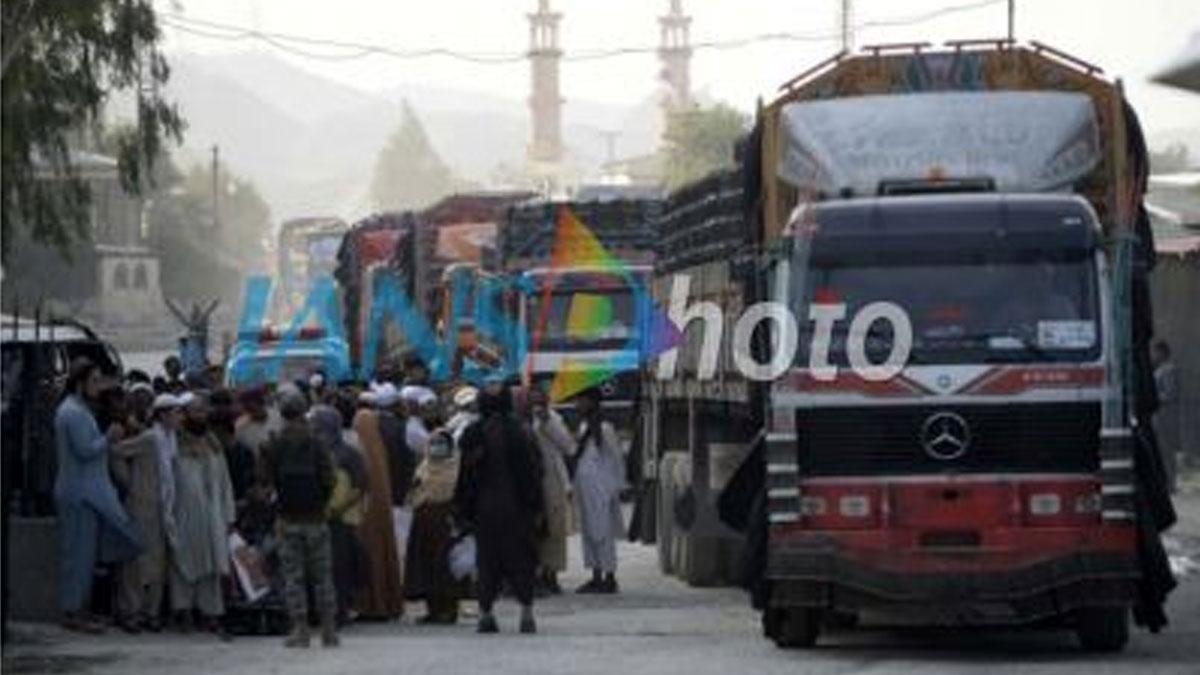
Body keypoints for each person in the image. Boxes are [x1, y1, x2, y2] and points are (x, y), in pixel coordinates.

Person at [53, 358, 142, 633]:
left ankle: (81, 609)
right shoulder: (72, 412)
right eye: (93, 381)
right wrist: (109, 437)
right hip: (79, 494)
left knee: (87, 555)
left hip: (87, 492)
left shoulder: (79, 410)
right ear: (80, 384)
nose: (98, 386)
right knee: (78, 556)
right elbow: (85, 450)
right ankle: (72, 612)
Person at [454, 381, 544, 634]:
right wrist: (536, 507)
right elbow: (534, 473)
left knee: (487, 560)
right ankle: (526, 614)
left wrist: (463, 509)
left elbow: (465, 476)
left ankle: (487, 614)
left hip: (485, 509)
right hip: (517, 508)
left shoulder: (472, 433)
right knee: (521, 558)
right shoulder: (521, 431)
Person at [263, 386, 338, 648]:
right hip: (316, 518)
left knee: (293, 575)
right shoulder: (317, 442)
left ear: (283, 413)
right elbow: (331, 478)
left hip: (288, 519)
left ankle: (301, 629)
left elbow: (265, 482)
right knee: (322, 575)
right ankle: (329, 630)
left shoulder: (275, 443)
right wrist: (322, 503)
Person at [110, 393, 182, 633]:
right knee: (137, 564)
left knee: (158, 564)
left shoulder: (171, 439)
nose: (179, 417)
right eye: (175, 413)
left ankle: (151, 613)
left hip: (164, 508)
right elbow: (116, 451)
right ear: (163, 415)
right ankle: (131, 612)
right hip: (143, 507)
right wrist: (130, 484)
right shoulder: (151, 438)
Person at [170, 392, 235, 640]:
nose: (201, 415)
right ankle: (183, 612)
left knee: (211, 564)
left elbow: (225, 482)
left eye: (202, 411)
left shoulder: (213, 443)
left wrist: (229, 516)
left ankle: (211, 613)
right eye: (194, 411)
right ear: (184, 415)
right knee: (183, 562)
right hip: (184, 513)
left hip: (212, 514)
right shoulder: (174, 444)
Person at [311, 404, 368, 626]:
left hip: (341, 520)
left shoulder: (348, 454)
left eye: (318, 427)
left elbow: (361, 485)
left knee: (339, 567)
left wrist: (337, 509)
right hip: (319, 516)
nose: (315, 431)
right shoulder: (316, 450)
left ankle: (340, 612)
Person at [351, 387, 405, 620]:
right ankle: (386, 602)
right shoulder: (378, 453)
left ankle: (370, 605)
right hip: (381, 512)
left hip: (363, 514)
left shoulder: (358, 452)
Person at [405, 428, 464, 624]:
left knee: (444, 566)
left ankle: (449, 609)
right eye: (434, 443)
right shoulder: (424, 466)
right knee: (425, 565)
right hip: (423, 521)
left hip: (444, 522)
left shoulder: (456, 467)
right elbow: (416, 490)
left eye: (442, 443)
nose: (437, 447)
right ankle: (432, 609)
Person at [572, 386, 626, 594]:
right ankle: (595, 575)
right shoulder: (584, 426)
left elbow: (616, 459)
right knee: (589, 532)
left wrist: (615, 488)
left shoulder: (604, 428)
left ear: (591, 402)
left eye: (581, 400)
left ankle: (609, 576)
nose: (577, 404)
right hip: (586, 488)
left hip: (602, 489)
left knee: (603, 533)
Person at [529, 388, 574, 595]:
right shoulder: (520, 418)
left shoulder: (554, 418)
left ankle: (552, 574)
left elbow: (567, 446)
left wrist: (547, 422)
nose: (536, 402)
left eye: (540, 398)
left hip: (551, 479)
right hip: (530, 480)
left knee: (554, 528)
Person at [1153, 341, 1182, 487]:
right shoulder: (1160, 370)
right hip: (1160, 415)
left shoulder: (1168, 370)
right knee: (1162, 450)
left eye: (1156, 352)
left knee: (1167, 449)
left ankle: (1170, 482)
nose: (1154, 355)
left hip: (1166, 415)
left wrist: (1153, 398)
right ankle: (1167, 481)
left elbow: (1170, 394)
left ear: (1163, 353)